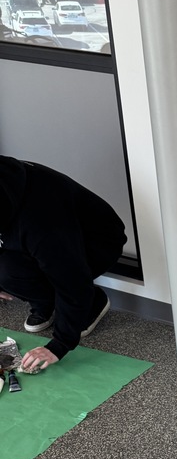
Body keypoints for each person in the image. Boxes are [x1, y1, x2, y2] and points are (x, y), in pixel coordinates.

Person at [0, 156, 127, 371]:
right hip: (38, 236)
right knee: (4, 273)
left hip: (95, 241)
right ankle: (47, 302)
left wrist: (59, 345)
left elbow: (72, 279)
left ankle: (93, 302)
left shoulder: (42, 223)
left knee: (60, 279)